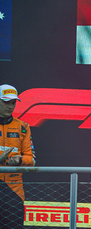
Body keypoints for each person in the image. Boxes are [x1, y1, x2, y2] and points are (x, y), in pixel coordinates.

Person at [0, 84, 36, 228]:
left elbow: (32, 160)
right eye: (6, 102)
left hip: (14, 192)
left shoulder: (23, 127)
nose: (10, 106)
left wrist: (19, 160)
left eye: (13, 102)